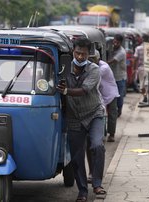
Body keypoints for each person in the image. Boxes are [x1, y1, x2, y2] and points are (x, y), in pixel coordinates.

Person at [57, 37, 106, 202]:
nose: (80, 57)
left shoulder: (94, 70)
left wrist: (65, 92)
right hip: (74, 117)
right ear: (73, 51)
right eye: (77, 53)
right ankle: (82, 192)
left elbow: (84, 90)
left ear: (88, 54)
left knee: (97, 145)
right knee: (77, 156)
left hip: (94, 114)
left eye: (83, 54)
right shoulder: (64, 68)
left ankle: (97, 184)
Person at [90, 50, 119, 142]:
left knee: (112, 114)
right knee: (100, 114)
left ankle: (112, 134)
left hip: (111, 93)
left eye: (93, 58)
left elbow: (93, 76)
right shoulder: (94, 66)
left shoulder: (104, 67)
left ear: (98, 58)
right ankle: (101, 134)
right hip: (102, 94)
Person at [107, 34, 127, 118]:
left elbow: (112, 61)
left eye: (117, 43)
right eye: (114, 42)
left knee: (119, 95)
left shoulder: (121, 52)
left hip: (119, 77)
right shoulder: (111, 48)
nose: (115, 44)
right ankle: (111, 110)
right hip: (111, 77)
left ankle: (119, 111)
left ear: (120, 43)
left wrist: (101, 63)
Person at [134, 35, 149, 102]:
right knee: (147, 83)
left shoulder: (138, 48)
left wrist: (135, 68)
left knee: (142, 83)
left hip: (141, 68)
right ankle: (146, 94)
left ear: (142, 39)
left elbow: (135, 58)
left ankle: (145, 96)